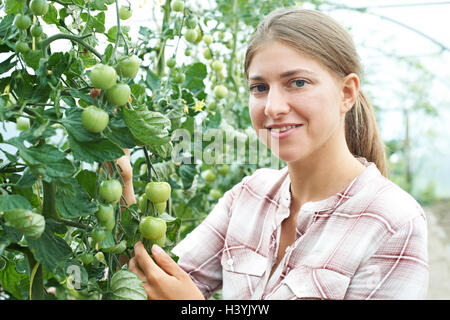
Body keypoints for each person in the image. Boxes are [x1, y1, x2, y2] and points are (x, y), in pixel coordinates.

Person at [117, 8, 429, 300]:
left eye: (298, 82)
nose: (273, 107)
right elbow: (152, 284)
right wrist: (119, 178)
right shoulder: (248, 197)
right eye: (260, 88)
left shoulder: (393, 221)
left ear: (346, 93)